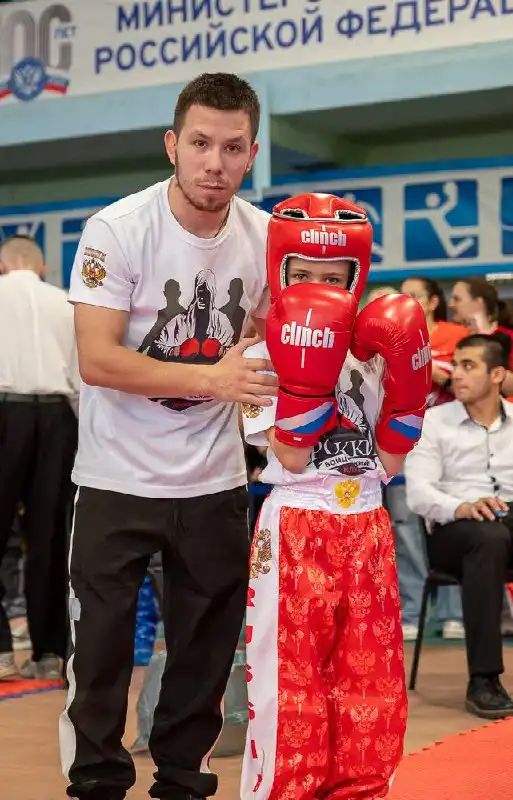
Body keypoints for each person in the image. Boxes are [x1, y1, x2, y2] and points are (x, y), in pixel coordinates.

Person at [59, 72, 278, 800]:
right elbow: (97, 358)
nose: (214, 161)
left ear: (251, 154)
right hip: (116, 477)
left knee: (203, 654)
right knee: (100, 654)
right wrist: (212, 380)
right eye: (200, 143)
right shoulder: (118, 229)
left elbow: (272, 343)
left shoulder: (265, 236)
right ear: (172, 145)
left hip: (212, 482)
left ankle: (183, 784)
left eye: (232, 147)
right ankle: (96, 784)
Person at [241, 193, 432, 799]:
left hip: (366, 523)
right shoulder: (257, 356)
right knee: (292, 685)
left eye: (333, 278)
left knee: (371, 681)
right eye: (303, 277)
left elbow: (391, 464)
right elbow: (291, 455)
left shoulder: (376, 351)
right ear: (280, 273)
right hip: (298, 520)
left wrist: (404, 406)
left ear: (357, 277)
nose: (319, 289)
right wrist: (307, 374)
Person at [405, 334, 513, 719]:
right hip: (454, 530)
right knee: (488, 538)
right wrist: (463, 506)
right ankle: (483, 680)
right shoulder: (434, 421)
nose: (456, 375)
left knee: (498, 532)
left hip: (506, 520)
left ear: (497, 374)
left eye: (469, 366)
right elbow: (417, 493)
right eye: (456, 365)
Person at [0, 234, 79, 681]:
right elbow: (84, 379)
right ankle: (50, 655)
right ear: (43, 266)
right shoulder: (67, 301)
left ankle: (1, 651)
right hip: (56, 419)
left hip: (3, 413)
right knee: (49, 537)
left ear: (4, 266)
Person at [390, 276, 468, 641]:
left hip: (448, 439)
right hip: (402, 438)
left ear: (434, 301)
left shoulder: (454, 334)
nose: (406, 301)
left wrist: (432, 369)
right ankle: (414, 609)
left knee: (448, 519)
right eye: (401, 296)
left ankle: (454, 610)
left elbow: (466, 378)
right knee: (404, 527)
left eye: (414, 295)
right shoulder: (391, 332)